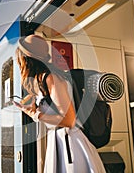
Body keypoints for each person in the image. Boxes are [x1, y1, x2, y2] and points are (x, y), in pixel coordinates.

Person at [13, 34, 105, 172]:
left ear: (25, 59)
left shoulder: (51, 78)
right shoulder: (42, 80)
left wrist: (36, 115)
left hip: (71, 145)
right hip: (61, 141)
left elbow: (69, 120)